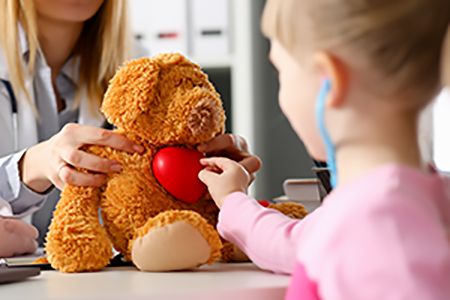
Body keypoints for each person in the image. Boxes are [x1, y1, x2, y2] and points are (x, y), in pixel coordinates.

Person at [199, 0, 450, 299]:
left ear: (329, 81)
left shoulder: (381, 222)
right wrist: (232, 199)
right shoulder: (388, 202)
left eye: (280, 70)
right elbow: (294, 243)